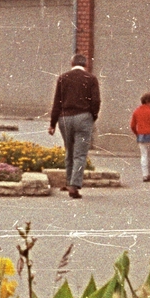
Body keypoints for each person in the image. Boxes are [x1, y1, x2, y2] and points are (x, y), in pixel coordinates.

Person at [47, 53, 101, 199]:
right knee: (80, 154)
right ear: (86, 64)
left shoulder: (62, 78)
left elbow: (57, 102)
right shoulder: (91, 79)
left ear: (72, 63)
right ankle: (74, 185)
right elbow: (96, 101)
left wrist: (52, 123)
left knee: (69, 151)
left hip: (64, 119)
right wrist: (92, 116)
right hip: (83, 117)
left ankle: (69, 181)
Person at [130, 92, 150, 182]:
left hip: (141, 135)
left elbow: (132, 125)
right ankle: (149, 173)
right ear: (148, 101)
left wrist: (137, 133)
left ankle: (144, 174)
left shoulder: (136, 111)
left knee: (143, 155)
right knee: (149, 155)